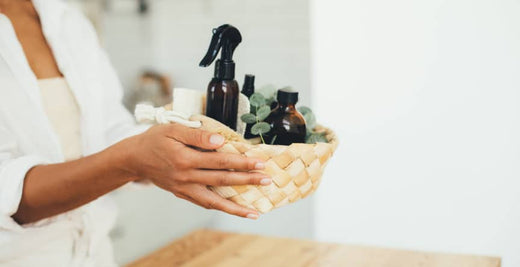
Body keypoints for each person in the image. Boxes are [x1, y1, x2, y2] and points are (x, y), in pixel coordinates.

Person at [0, 0, 271, 265]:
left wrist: (173, 144)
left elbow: (109, 130)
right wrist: (131, 158)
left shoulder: (67, 19)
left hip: (96, 255)